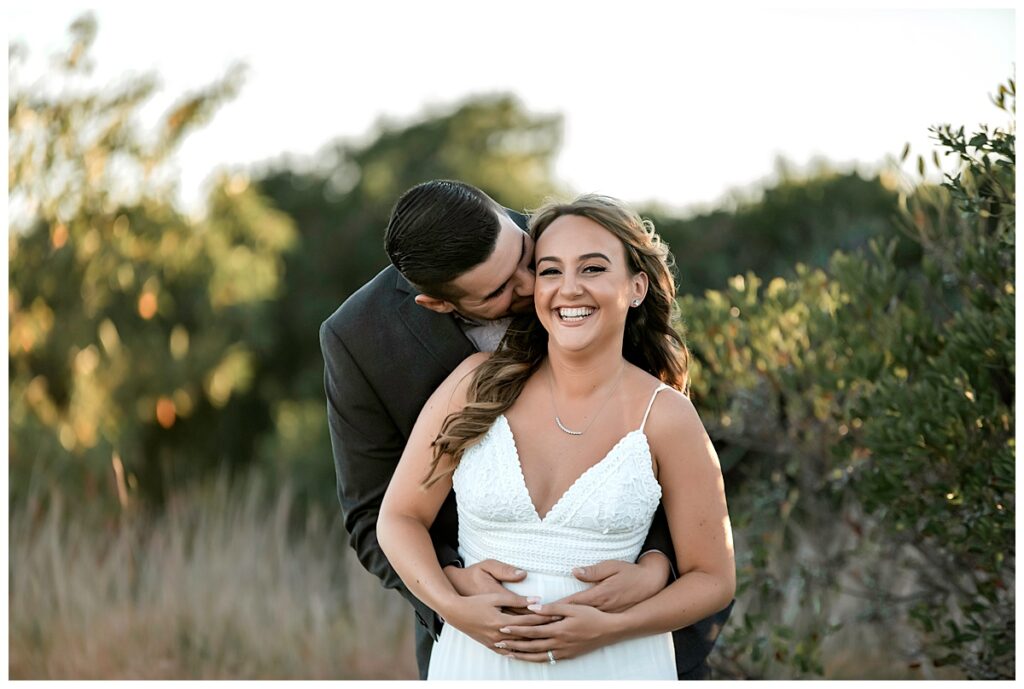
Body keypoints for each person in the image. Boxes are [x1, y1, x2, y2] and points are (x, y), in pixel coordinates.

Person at [320, 181, 733, 679]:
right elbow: (376, 515)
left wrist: (656, 564)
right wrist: (453, 595)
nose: (539, 282)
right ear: (439, 304)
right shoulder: (363, 340)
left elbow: (661, 476)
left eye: (527, 257)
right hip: (477, 645)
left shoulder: (570, 242)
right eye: (503, 287)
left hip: (621, 645)